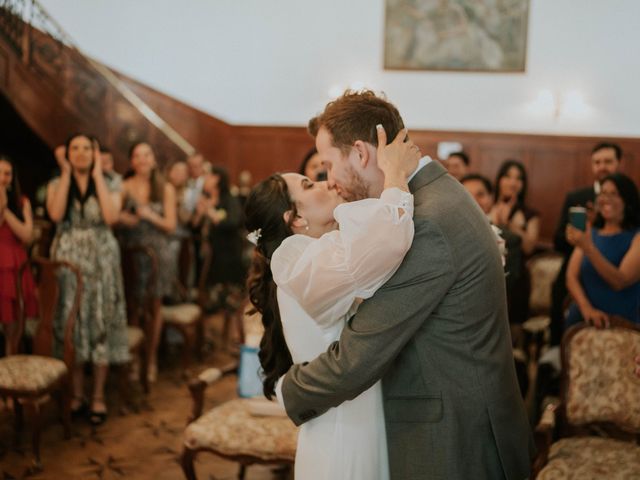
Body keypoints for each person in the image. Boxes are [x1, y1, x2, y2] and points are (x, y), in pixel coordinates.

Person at [277, 90, 533, 479]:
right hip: (467, 421)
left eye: (329, 165)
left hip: (456, 442)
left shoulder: (425, 222)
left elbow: (362, 352)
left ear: (361, 153)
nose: (330, 181)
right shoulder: (433, 196)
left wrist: (287, 390)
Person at [245, 126, 419, 479]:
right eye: (309, 185)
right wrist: (395, 175)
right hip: (342, 431)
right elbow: (387, 240)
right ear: (295, 219)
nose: (325, 182)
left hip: (358, 416)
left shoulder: (317, 254)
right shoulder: (297, 260)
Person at [46, 134, 129, 425]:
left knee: (100, 321)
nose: (80, 153)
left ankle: (98, 397)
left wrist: (97, 176)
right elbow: (55, 215)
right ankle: (78, 394)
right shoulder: (57, 183)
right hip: (69, 265)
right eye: (75, 149)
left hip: (102, 262)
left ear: (95, 153)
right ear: (67, 154)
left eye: (86, 149)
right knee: (75, 323)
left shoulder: (111, 183)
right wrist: (68, 173)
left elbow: (110, 217)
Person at [550, 142, 623, 344]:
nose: (602, 167)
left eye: (608, 161)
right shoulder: (577, 197)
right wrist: (576, 235)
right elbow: (557, 241)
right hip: (577, 264)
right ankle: (557, 352)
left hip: (616, 265)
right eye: (597, 162)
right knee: (558, 289)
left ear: (618, 164)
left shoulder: (630, 198)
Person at [118, 142, 176, 381]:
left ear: (153, 159)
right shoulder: (124, 186)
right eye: (137, 155)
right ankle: (134, 359)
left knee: (154, 307)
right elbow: (113, 214)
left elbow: (170, 226)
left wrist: (149, 215)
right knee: (132, 305)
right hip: (131, 253)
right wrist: (125, 218)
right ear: (132, 161)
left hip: (157, 255)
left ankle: (150, 360)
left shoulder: (165, 188)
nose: (142, 159)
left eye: (147, 155)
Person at [565, 173, 640, 327]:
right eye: (603, 193)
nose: (606, 199)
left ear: (627, 200)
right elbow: (571, 276)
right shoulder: (590, 232)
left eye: (614, 194)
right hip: (582, 320)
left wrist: (588, 248)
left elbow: (620, 281)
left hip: (621, 326)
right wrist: (586, 308)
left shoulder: (636, 237)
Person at [0, 155, 37, 354]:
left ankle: (9, 369)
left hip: (15, 265)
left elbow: (27, 235)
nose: (2, 178)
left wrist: (5, 209)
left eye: (7, 173)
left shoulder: (22, 202)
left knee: (13, 325)